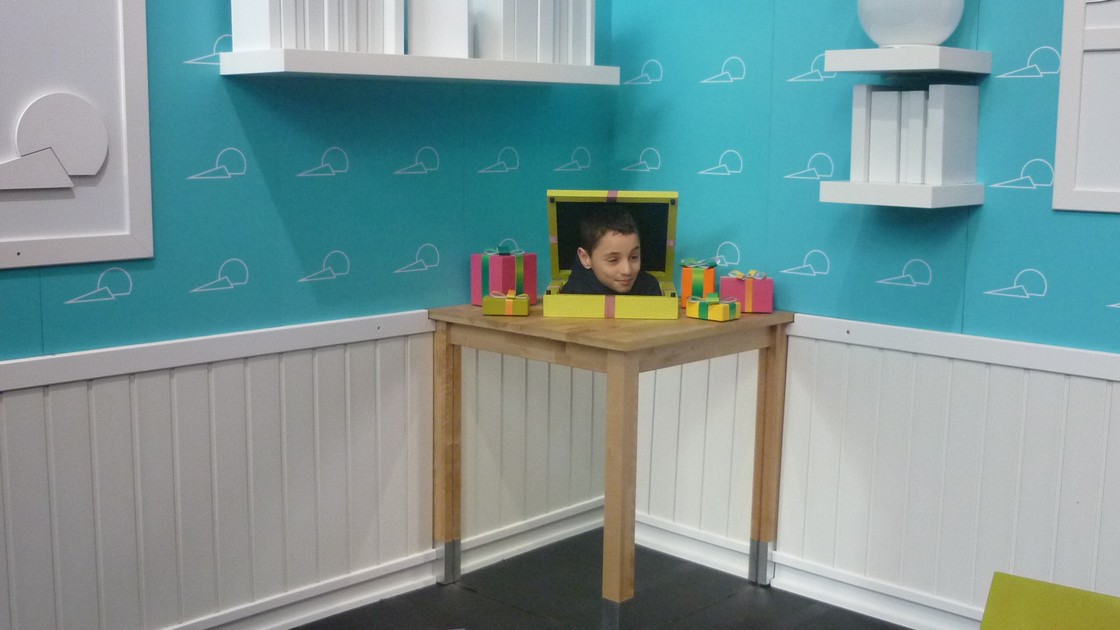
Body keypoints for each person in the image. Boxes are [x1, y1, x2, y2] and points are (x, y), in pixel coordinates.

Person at [559, 208, 663, 295]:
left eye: (634, 257)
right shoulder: (571, 295)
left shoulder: (650, 288)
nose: (627, 270)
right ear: (585, 258)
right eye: (613, 260)